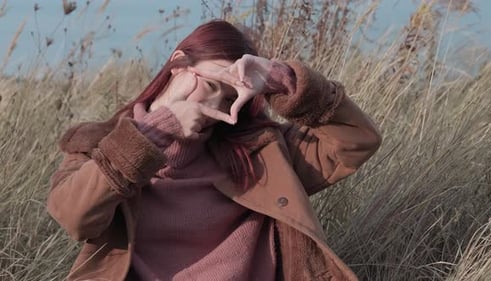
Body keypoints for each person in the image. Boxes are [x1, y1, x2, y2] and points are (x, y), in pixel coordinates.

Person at [47, 20, 382, 281]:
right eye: (209, 86)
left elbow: (356, 140)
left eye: (228, 98)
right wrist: (154, 132)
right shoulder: (97, 143)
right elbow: (73, 217)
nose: (216, 108)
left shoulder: (261, 153)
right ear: (177, 63)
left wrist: (282, 81)